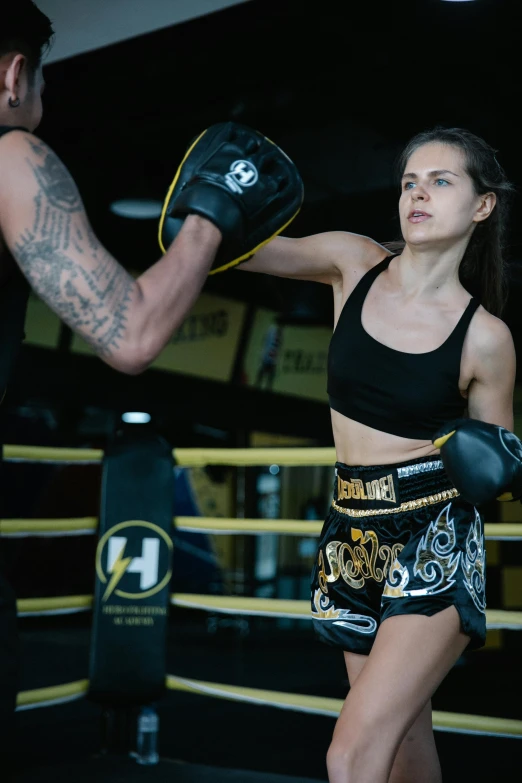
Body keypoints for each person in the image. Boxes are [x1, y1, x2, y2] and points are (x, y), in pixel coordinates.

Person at [0, 1, 302, 766]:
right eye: (42, 81)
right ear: (13, 75)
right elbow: (130, 335)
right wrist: (210, 213)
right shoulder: (10, 156)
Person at [239, 126, 516, 782]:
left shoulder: (486, 337)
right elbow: (237, 255)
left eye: (440, 181)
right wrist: (219, 206)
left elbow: (498, 464)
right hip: (350, 534)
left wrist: (501, 464)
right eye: (409, 182)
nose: (417, 193)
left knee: (352, 753)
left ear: (483, 205)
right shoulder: (353, 262)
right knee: (404, 753)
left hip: (433, 543)